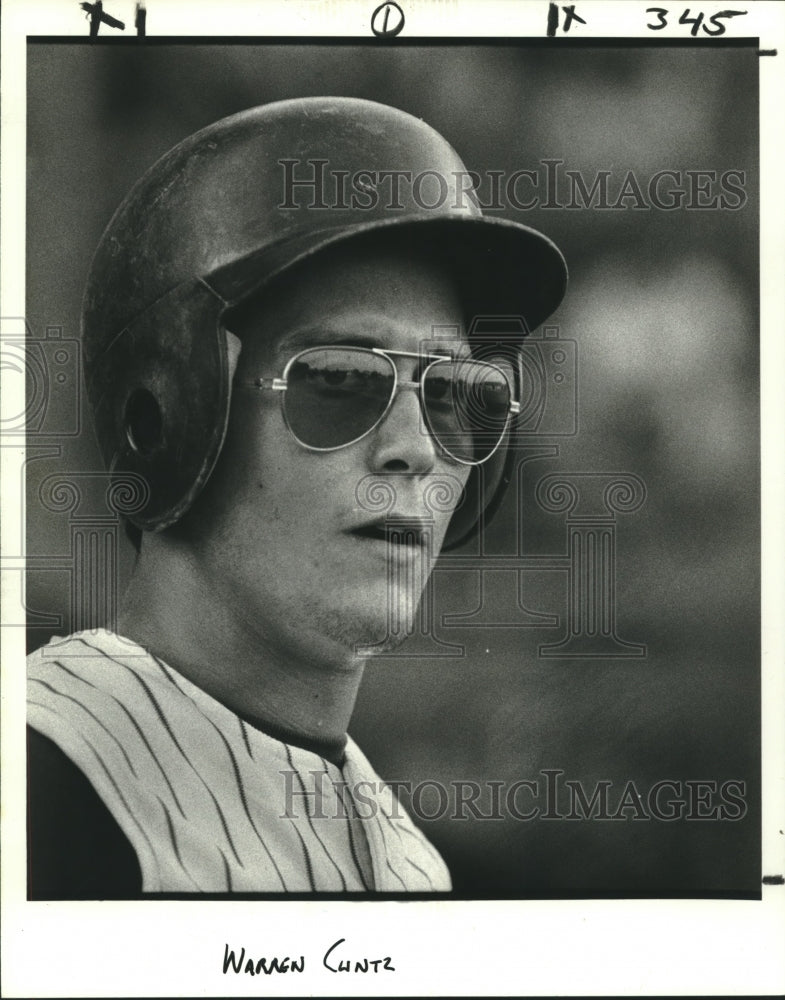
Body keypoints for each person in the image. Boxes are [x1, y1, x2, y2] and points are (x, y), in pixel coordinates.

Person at [26, 97, 567, 896]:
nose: (415, 447)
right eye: (342, 379)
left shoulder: (412, 865)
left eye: (454, 392)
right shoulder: (43, 786)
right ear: (165, 411)